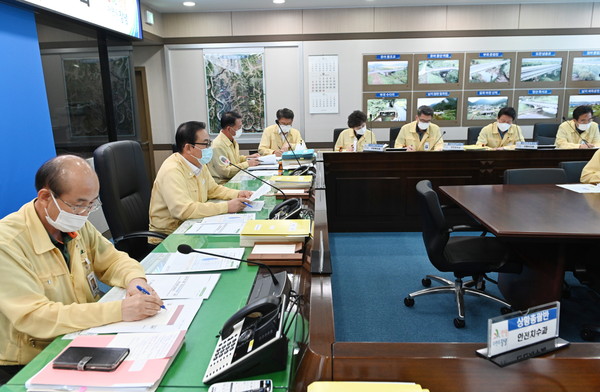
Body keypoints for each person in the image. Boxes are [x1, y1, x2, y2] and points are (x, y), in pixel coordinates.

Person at [0, 155, 163, 378]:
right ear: (46, 196)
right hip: (32, 360)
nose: (85, 213)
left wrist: (134, 281)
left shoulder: (75, 225)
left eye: (92, 204)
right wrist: (120, 310)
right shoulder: (7, 244)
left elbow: (113, 260)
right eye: (78, 204)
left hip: (81, 335)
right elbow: (35, 317)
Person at [149, 121, 253, 240]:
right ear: (188, 148)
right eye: (206, 144)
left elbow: (213, 189)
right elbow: (183, 210)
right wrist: (227, 207)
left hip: (193, 227)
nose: (209, 148)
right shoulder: (172, 170)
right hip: (169, 237)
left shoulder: (199, 164)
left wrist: (237, 194)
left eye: (209, 143)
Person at [207, 111, 261, 184]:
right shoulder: (218, 146)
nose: (240, 129)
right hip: (224, 184)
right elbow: (225, 171)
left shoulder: (232, 141)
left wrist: (248, 157)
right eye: (239, 127)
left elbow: (234, 160)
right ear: (229, 129)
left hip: (235, 179)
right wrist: (247, 164)